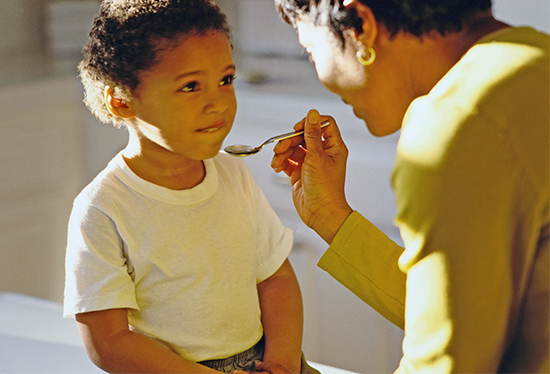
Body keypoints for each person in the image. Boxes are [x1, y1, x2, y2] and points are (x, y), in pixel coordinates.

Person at [262, 0, 550, 373]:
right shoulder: (533, 59)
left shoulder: (456, 122)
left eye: (311, 50)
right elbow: (466, 311)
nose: (323, 78)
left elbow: (445, 364)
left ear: (360, 26)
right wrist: (329, 216)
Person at [62, 1, 320, 374]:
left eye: (226, 80)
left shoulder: (233, 174)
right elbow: (109, 343)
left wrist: (281, 361)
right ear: (121, 100)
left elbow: (275, 277)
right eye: (191, 86)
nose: (217, 102)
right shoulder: (102, 209)